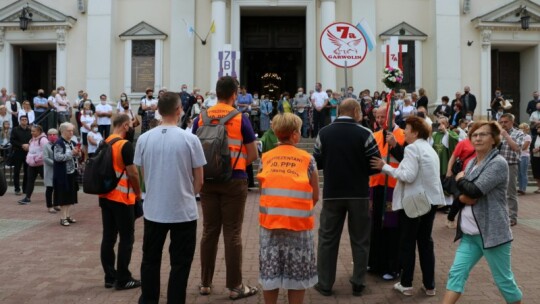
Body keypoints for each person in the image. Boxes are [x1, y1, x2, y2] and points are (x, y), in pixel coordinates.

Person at [192, 76, 259, 300]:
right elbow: (252, 154)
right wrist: (234, 166)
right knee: (233, 233)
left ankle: (205, 283)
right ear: (234, 94)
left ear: (216, 93)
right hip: (234, 180)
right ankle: (235, 286)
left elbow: (193, 151)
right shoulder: (241, 119)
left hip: (208, 181)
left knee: (209, 231)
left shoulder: (201, 118)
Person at [135, 92, 205, 303]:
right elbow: (199, 179)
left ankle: (149, 299)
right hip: (183, 210)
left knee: (150, 259)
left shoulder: (144, 138)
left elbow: (141, 176)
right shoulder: (190, 138)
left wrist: (151, 193)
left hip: (154, 208)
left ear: (158, 111)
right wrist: (186, 194)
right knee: (181, 263)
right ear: (179, 110)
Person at [442, 121, 522, 304]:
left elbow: (475, 191)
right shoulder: (471, 163)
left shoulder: (498, 163)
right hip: (470, 235)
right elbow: (458, 190)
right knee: (456, 274)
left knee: (504, 282)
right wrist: (461, 195)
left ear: (494, 140)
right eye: (474, 134)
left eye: (483, 134)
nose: (477, 138)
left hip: (492, 235)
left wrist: (460, 180)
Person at [313, 98, 381, 297]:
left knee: (327, 238)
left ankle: (325, 283)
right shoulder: (365, 133)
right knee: (360, 239)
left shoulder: (324, 133)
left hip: (332, 192)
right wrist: (361, 171)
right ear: (356, 111)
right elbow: (376, 163)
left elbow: (316, 162)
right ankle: (358, 282)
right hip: (359, 193)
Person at [371, 116, 445, 296]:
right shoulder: (428, 148)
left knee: (408, 243)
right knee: (426, 243)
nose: (404, 131)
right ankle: (429, 285)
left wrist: (385, 167)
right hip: (430, 200)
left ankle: (406, 284)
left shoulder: (413, 148)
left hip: (414, 201)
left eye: (408, 129)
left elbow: (408, 175)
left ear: (416, 132)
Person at [257, 113, 319, 304]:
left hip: (271, 226)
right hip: (298, 225)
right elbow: (315, 195)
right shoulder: (307, 159)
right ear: (294, 135)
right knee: (297, 277)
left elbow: (263, 190)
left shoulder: (266, 158)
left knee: (270, 273)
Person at [98, 114, 142, 290]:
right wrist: (138, 194)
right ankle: (123, 277)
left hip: (105, 195)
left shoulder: (105, 142)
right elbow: (132, 173)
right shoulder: (125, 145)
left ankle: (110, 277)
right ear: (125, 125)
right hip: (122, 198)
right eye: (130, 124)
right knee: (126, 238)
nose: (131, 127)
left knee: (108, 236)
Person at [368, 106, 405, 281]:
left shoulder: (403, 135)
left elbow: (407, 160)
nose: (380, 120)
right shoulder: (374, 135)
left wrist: (395, 146)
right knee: (375, 226)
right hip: (376, 185)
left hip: (394, 186)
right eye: (378, 116)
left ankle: (393, 265)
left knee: (392, 227)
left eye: (383, 116)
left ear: (392, 117)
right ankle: (376, 262)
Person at [445, 131, 476, 228]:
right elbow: (453, 156)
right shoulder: (463, 143)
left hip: (477, 174)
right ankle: (451, 217)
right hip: (463, 174)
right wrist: (449, 170)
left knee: (472, 197)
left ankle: (468, 220)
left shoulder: (482, 143)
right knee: (460, 197)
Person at [498, 114, 525, 226]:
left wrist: (506, 136)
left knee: (510, 193)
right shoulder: (497, 133)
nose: (503, 124)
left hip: (510, 165)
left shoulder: (519, 133)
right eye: (501, 122)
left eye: (506, 122)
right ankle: (499, 216)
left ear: (512, 122)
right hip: (497, 166)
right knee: (497, 193)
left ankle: (512, 217)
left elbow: (516, 148)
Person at [53, 122, 81, 226]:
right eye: (69, 131)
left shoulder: (72, 142)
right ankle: (62, 217)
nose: (71, 132)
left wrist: (78, 154)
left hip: (72, 172)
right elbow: (57, 157)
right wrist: (71, 154)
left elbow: (75, 156)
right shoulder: (59, 143)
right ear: (63, 131)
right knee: (64, 195)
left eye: (72, 130)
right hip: (63, 173)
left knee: (70, 195)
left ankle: (68, 215)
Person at [18, 124, 48, 205]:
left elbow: (45, 152)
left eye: (34, 131)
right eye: (31, 131)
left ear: (39, 131)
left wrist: (36, 160)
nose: (32, 133)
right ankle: (27, 198)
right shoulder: (32, 139)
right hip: (32, 165)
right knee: (30, 181)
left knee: (48, 181)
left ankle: (55, 196)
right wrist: (29, 159)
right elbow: (31, 151)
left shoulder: (43, 140)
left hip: (41, 165)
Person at [10, 115, 31, 195]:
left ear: (27, 121)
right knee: (17, 172)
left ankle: (25, 189)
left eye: (25, 119)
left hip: (27, 153)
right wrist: (22, 145)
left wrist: (28, 145)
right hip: (18, 153)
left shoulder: (30, 130)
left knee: (27, 172)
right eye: (22, 120)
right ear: (20, 121)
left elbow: (32, 140)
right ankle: (17, 189)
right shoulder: (15, 130)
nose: (24, 121)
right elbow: (12, 140)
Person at [43, 128, 59, 213]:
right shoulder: (46, 145)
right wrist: (56, 163)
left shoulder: (59, 144)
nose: (52, 136)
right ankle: (49, 206)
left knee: (57, 188)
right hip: (50, 169)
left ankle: (56, 204)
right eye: (50, 134)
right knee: (49, 188)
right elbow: (45, 158)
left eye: (54, 134)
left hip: (58, 171)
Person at [518, 123, 531, 195]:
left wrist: (517, 147)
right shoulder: (519, 136)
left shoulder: (527, 136)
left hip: (524, 156)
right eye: (520, 128)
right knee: (519, 173)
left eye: (522, 128)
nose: (520, 130)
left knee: (523, 173)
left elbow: (524, 147)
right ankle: (520, 188)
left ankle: (523, 188)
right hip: (519, 156)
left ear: (526, 129)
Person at [530, 124, 540, 193]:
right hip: (535, 157)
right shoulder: (534, 137)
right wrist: (532, 150)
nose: (538, 129)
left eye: (539, 128)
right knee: (536, 173)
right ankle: (539, 187)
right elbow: (531, 146)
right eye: (537, 128)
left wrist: (539, 149)